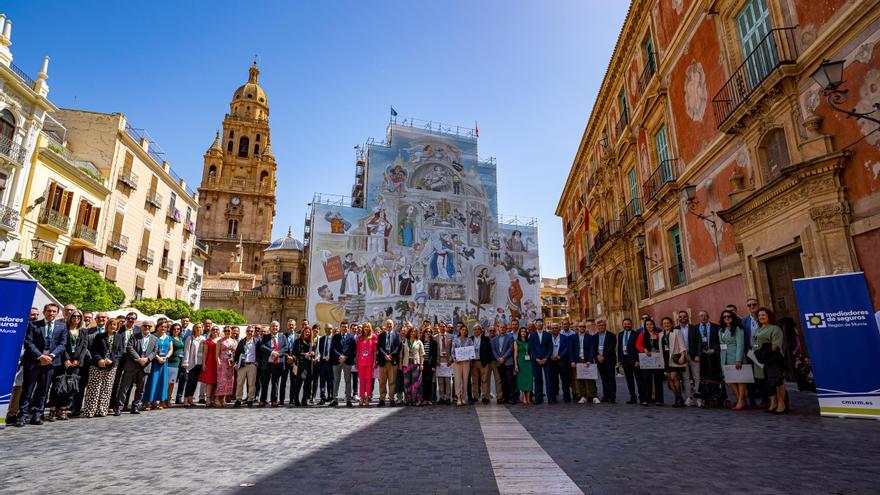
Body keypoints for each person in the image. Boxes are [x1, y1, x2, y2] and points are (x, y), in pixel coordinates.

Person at [17, 303, 67, 426]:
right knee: (27, 390)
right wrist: (40, 356)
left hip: (50, 363)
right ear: (44, 312)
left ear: (57, 313)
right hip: (34, 362)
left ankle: (37, 415)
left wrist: (51, 356)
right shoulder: (33, 325)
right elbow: (28, 343)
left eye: (54, 311)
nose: (51, 313)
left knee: (43, 391)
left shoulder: (62, 327)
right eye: (49, 311)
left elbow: (62, 344)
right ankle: (22, 415)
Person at [82, 317, 123, 417]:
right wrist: (99, 359)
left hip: (111, 366)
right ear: (107, 325)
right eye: (110, 324)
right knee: (94, 389)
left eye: (114, 325)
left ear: (117, 327)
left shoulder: (119, 337)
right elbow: (93, 350)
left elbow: (120, 351)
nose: (112, 326)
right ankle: (90, 411)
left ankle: (102, 410)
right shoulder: (99, 336)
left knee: (106, 389)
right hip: (97, 365)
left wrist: (112, 360)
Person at [51, 310, 87, 421]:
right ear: (70, 317)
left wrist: (78, 360)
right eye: (74, 316)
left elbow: (84, 347)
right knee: (58, 386)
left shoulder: (83, 331)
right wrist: (66, 359)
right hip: (63, 362)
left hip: (76, 364)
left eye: (78, 316)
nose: (76, 318)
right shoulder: (64, 329)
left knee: (70, 387)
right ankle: (53, 410)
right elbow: (62, 345)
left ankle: (63, 409)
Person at [116, 320, 158, 415]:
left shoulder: (154, 339)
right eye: (145, 326)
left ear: (151, 328)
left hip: (145, 365)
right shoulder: (134, 336)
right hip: (132, 364)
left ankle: (135, 406)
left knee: (141, 388)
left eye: (149, 326)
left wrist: (147, 359)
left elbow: (155, 352)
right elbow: (129, 348)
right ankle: (119, 407)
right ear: (141, 327)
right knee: (124, 387)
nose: (147, 327)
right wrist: (138, 359)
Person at [754, 308, 787, 414]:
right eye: (759, 316)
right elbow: (754, 344)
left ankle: (782, 404)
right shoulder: (757, 330)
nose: (761, 317)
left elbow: (775, 346)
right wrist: (757, 353)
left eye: (763, 315)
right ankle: (773, 403)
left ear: (769, 316)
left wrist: (762, 350)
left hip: (773, 359)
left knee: (777, 381)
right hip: (760, 359)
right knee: (767, 382)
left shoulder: (775, 329)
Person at [718, 309, 746, 410]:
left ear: (733, 318)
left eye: (728, 316)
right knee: (731, 380)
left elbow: (740, 345)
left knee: (740, 379)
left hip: (736, 356)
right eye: (724, 317)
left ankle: (740, 401)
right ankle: (740, 400)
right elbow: (722, 345)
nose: (726, 318)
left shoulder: (738, 329)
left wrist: (738, 359)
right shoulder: (721, 330)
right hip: (725, 357)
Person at [142, 320, 173, 410]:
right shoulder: (152, 336)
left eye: (165, 327)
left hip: (164, 362)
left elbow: (171, 349)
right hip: (154, 362)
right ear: (157, 327)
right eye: (161, 326)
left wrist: (166, 357)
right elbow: (150, 349)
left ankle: (156, 402)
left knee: (161, 382)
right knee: (152, 382)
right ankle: (146, 402)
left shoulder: (168, 338)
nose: (163, 328)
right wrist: (158, 358)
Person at [740, 297, 765, 407]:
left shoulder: (763, 318)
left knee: (762, 377)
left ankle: (765, 400)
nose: (752, 307)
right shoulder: (744, 321)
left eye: (754, 304)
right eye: (749, 305)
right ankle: (752, 401)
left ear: (758, 305)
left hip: (762, 352)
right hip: (749, 352)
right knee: (750, 377)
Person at [635, 318, 663, 405]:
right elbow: (638, 345)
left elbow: (663, 345)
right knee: (646, 379)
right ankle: (646, 399)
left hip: (657, 359)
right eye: (647, 324)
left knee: (658, 379)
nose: (649, 326)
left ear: (654, 325)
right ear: (645, 326)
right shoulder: (642, 335)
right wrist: (644, 350)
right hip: (646, 359)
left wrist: (660, 350)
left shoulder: (659, 335)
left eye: (651, 324)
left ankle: (658, 400)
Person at [660, 317, 687, 407]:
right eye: (664, 323)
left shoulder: (676, 332)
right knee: (669, 379)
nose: (666, 324)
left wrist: (683, 356)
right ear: (662, 325)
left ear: (671, 324)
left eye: (668, 323)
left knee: (674, 377)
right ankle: (676, 398)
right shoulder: (660, 334)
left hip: (674, 358)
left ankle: (680, 398)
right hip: (665, 358)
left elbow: (682, 345)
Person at [676, 311, 701, 407]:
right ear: (678, 318)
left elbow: (699, 342)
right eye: (681, 316)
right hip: (682, 357)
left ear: (688, 317)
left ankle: (699, 397)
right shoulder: (675, 329)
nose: (683, 318)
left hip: (693, 355)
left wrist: (698, 355)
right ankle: (689, 397)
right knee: (685, 378)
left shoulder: (694, 328)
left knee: (697, 377)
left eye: (684, 316)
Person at [261, 321, 289, 407]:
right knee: (265, 383)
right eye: (273, 326)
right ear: (270, 328)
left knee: (275, 383)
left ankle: (274, 400)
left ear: (279, 328)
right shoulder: (265, 337)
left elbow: (286, 347)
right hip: (268, 363)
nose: (275, 328)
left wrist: (278, 353)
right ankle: (263, 400)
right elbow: (262, 346)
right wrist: (272, 352)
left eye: (276, 326)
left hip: (277, 364)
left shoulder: (283, 336)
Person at [570, 321, 599, 404]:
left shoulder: (590, 337)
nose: (582, 328)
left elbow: (592, 349)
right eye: (580, 326)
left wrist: (590, 360)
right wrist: (572, 361)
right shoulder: (573, 337)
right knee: (580, 378)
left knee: (591, 378)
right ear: (578, 328)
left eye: (583, 326)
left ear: (585, 328)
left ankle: (593, 396)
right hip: (578, 360)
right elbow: (571, 350)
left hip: (587, 360)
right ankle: (583, 396)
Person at [376, 319, 401, 406]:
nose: (389, 325)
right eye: (387, 324)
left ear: (393, 325)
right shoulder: (381, 335)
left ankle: (391, 399)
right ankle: (382, 399)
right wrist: (385, 355)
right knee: (382, 381)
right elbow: (378, 347)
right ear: (385, 325)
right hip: (383, 361)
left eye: (390, 324)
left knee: (392, 381)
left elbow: (398, 347)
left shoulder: (397, 335)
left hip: (392, 361)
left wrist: (391, 355)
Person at [331, 321, 356, 407]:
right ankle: (335, 399)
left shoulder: (351, 337)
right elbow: (333, 348)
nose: (344, 328)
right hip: (337, 361)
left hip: (347, 361)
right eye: (342, 327)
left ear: (348, 328)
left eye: (345, 327)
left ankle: (348, 400)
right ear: (340, 327)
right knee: (336, 380)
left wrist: (345, 357)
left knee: (348, 381)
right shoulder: (335, 337)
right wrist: (340, 356)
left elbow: (353, 349)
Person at [527, 320, 551, 404]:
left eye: (541, 323)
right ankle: (538, 398)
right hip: (535, 360)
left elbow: (550, 348)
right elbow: (531, 348)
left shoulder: (548, 335)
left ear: (543, 325)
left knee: (548, 379)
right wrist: (536, 358)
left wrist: (546, 358)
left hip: (546, 360)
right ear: (536, 325)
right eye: (538, 323)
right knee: (537, 379)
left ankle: (550, 398)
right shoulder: (532, 335)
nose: (539, 325)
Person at [593, 319, 617, 403]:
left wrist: (603, 356)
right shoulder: (594, 336)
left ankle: (612, 396)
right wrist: (597, 356)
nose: (601, 327)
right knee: (604, 378)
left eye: (602, 325)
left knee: (611, 378)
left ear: (605, 326)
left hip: (609, 360)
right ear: (597, 327)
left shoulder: (612, 335)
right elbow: (593, 348)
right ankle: (606, 395)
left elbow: (611, 348)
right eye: (599, 326)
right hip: (599, 360)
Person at [234, 325, 259, 407]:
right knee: (240, 383)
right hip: (242, 365)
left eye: (251, 331)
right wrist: (236, 363)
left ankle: (250, 399)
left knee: (251, 383)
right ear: (246, 332)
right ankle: (238, 399)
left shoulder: (257, 341)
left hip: (252, 364)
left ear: (254, 332)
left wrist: (257, 362)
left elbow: (260, 352)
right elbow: (237, 353)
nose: (250, 333)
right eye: (248, 331)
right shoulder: (242, 341)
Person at [617, 318, 641, 404]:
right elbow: (619, 347)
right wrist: (619, 360)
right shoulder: (620, 334)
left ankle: (641, 396)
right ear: (623, 325)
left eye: (628, 324)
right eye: (625, 324)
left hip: (634, 360)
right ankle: (632, 397)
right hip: (625, 360)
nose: (627, 325)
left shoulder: (637, 334)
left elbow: (638, 349)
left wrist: (638, 360)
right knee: (629, 379)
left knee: (638, 379)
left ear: (631, 324)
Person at [547, 323, 572, 403]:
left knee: (565, 380)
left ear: (559, 329)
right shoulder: (548, 338)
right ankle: (553, 397)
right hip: (551, 362)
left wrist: (560, 356)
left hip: (562, 362)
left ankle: (567, 397)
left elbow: (567, 348)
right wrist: (550, 356)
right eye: (553, 328)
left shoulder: (565, 338)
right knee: (553, 381)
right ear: (551, 329)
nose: (554, 329)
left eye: (556, 328)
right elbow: (546, 348)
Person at [400, 326, 425, 406]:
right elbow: (401, 355)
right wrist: (400, 365)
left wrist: (421, 364)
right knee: (407, 382)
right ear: (409, 332)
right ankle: (408, 400)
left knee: (416, 382)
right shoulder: (404, 341)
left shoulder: (419, 342)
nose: (413, 333)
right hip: (406, 363)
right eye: (411, 331)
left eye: (414, 331)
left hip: (416, 363)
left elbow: (422, 355)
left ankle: (417, 400)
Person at [292, 326, 316, 407]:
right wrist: (304, 354)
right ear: (303, 332)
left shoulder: (311, 342)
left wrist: (313, 354)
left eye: (309, 332)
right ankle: (296, 399)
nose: (307, 333)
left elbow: (314, 351)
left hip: (309, 365)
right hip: (301, 364)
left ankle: (304, 399)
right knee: (299, 383)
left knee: (307, 384)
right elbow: (294, 353)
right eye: (306, 332)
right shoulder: (298, 341)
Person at [182, 323, 205, 407]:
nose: (199, 329)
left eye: (200, 327)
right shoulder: (190, 338)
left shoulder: (203, 338)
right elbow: (186, 350)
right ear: (194, 329)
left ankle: (190, 398)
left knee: (195, 382)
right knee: (189, 381)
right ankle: (185, 399)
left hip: (200, 363)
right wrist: (185, 362)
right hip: (192, 362)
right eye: (197, 327)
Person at [492, 323, 515, 404]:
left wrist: (504, 357)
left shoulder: (510, 337)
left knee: (510, 380)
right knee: (503, 380)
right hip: (499, 362)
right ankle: (505, 397)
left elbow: (511, 348)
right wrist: (498, 358)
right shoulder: (494, 339)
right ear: (498, 328)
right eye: (501, 327)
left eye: (504, 327)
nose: (502, 328)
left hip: (508, 362)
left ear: (506, 328)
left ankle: (512, 398)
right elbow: (493, 350)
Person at [451, 324, 473, 406]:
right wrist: (454, 359)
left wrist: (470, 357)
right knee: (457, 380)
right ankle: (458, 397)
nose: (464, 331)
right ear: (460, 331)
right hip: (458, 362)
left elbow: (471, 351)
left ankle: (463, 397)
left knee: (465, 380)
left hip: (466, 362)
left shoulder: (470, 340)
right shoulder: (455, 340)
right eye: (462, 329)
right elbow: (452, 352)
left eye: (465, 330)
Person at [470, 324, 493, 404]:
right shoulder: (470, 339)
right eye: (475, 329)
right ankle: (475, 396)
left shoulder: (486, 339)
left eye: (478, 329)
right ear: (473, 331)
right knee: (474, 380)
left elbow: (489, 351)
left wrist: (488, 362)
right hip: (473, 362)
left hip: (483, 362)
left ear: (481, 330)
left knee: (484, 380)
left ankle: (485, 397)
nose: (476, 331)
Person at [356, 323, 377, 406]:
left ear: (370, 328)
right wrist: (356, 362)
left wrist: (375, 361)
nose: (366, 328)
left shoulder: (373, 337)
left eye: (368, 327)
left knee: (368, 381)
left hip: (370, 361)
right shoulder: (359, 338)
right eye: (365, 327)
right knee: (361, 381)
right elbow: (357, 351)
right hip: (361, 361)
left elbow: (375, 351)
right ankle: (361, 397)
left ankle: (367, 398)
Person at [215, 327, 236, 408]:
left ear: (231, 332)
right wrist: (219, 363)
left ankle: (223, 399)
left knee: (228, 381)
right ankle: (217, 398)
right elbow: (217, 354)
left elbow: (235, 352)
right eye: (226, 331)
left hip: (230, 363)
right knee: (221, 380)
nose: (227, 332)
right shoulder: (220, 341)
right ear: (223, 332)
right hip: (223, 362)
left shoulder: (233, 341)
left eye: (229, 331)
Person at [199, 326, 220, 408]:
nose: (215, 331)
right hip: (210, 362)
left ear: (219, 331)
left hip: (218, 362)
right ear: (211, 331)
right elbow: (205, 353)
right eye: (213, 329)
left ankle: (213, 399)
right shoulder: (207, 341)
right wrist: (204, 364)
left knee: (216, 381)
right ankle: (207, 398)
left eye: (216, 329)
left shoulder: (221, 340)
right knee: (210, 381)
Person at [434, 323, 453, 404]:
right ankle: (441, 397)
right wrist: (436, 360)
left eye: (443, 326)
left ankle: (448, 398)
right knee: (440, 380)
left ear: (446, 327)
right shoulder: (435, 337)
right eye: (440, 326)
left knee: (448, 380)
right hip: (439, 360)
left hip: (448, 360)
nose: (442, 328)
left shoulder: (451, 337)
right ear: (438, 327)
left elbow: (453, 348)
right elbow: (434, 350)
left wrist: (451, 359)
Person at [166, 323, 185, 408]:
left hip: (178, 362)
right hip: (171, 362)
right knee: (168, 382)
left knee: (172, 382)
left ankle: (168, 399)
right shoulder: (169, 338)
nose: (176, 330)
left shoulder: (180, 338)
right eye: (174, 329)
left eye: (178, 329)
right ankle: (164, 400)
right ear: (171, 330)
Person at [174, 317, 193, 404]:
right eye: (184, 321)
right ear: (181, 321)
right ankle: (166, 397)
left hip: (185, 357)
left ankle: (179, 398)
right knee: (171, 379)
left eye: (187, 321)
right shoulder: (176, 330)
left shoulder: (190, 332)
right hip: (175, 357)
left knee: (183, 379)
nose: (185, 322)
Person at [316, 325, 335, 405]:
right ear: (325, 329)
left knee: (331, 381)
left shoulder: (334, 339)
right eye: (327, 329)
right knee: (322, 382)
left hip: (331, 363)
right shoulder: (322, 339)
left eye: (330, 328)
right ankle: (322, 397)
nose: (328, 330)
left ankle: (331, 397)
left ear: (332, 329)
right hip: (323, 363)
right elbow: (319, 350)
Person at [280, 319, 297, 406]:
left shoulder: (298, 336)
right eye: (289, 325)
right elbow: (281, 348)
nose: (291, 326)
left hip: (294, 362)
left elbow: (299, 349)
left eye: (292, 325)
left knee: (293, 381)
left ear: (295, 326)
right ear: (287, 326)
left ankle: (292, 399)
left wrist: (293, 357)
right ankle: (282, 400)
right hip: (285, 361)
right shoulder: (283, 336)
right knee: (283, 381)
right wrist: (287, 356)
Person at [514, 327, 533, 405]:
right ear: (519, 332)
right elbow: (515, 354)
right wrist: (516, 365)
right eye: (522, 331)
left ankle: (528, 398)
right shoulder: (516, 341)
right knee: (521, 380)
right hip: (520, 362)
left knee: (529, 380)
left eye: (525, 331)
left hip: (528, 363)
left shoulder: (529, 341)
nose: (523, 332)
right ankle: (524, 398)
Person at [420, 324, 437, 405]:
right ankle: (424, 399)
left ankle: (429, 399)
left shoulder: (433, 342)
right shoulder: (420, 341)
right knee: (423, 382)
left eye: (429, 332)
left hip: (430, 364)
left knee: (429, 382)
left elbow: (434, 355)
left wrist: (433, 366)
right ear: (424, 333)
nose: (428, 333)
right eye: (426, 332)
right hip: (422, 364)